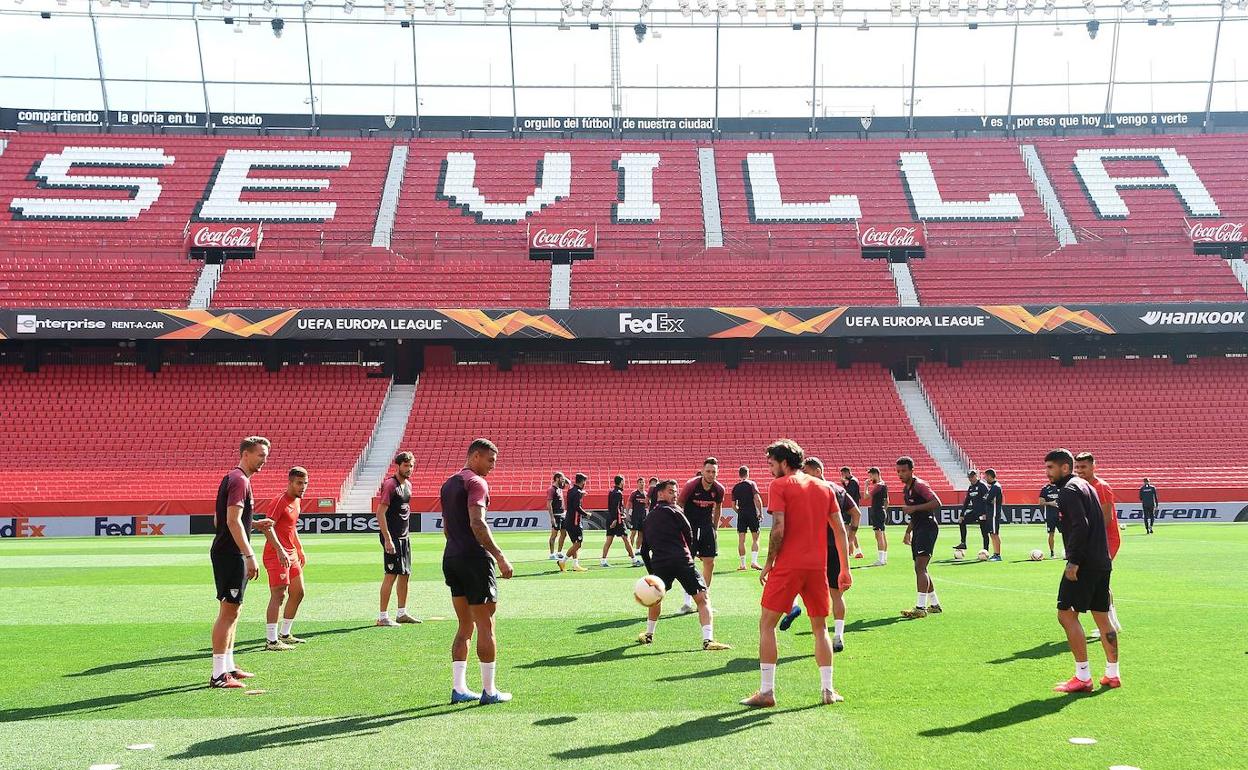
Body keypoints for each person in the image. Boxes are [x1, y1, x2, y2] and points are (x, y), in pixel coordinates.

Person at [740, 439, 850, 708]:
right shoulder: (825, 487)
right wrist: (845, 568)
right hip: (817, 567)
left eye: (771, 464)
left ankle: (767, 691)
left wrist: (768, 562)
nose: (769, 469)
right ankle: (828, 690)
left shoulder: (779, 485)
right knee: (820, 627)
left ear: (784, 462)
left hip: (789, 565)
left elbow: (778, 527)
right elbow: (839, 530)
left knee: (767, 624)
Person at [442, 438, 515, 705]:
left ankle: (459, 688)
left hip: (451, 556)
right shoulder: (476, 482)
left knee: (464, 625)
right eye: (490, 460)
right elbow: (477, 522)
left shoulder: (449, 483)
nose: (492, 467)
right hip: (474, 558)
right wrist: (500, 555)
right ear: (475, 457)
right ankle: (489, 691)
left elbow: (447, 527)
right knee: (486, 624)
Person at [1045, 449, 1119, 693]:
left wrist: (1074, 561)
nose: (1047, 473)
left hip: (1084, 563)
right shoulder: (1087, 486)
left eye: (1050, 468)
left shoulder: (1068, 490)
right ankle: (1112, 674)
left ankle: (1083, 676)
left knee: (1065, 614)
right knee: (1101, 615)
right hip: (1102, 560)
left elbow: (1081, 525)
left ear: (1065, 468)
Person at [209, 436, 275, 688]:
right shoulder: (239, 480)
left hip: (229, 551)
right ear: (246, 454)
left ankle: (229, 667)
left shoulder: (235, 479)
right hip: (231, 554)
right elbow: (232, 521)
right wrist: (249, 554)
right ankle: (217, 675)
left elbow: (221, 520)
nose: (264, 460)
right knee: (228, 612)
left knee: (233, 611)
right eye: (260, 455)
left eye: (266, 456)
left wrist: (254, 524)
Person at [637, 480, 731, 652]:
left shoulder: (648, 518)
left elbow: (644, 550)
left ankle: (649, 634)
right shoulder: (676, 511)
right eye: (671, 491)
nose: (675, 495)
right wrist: (687, 552)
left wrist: (653, 575)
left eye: (676, 491)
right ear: (660, 494)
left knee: (655, 598)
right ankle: (708, 640)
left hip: (660, 564)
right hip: (682, 560)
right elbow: (689, 533)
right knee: (703, 599)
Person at [777, 458, 857, 653]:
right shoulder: (837, 490)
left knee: (800, 580)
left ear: (817, 471)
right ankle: (838, 635)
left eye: (806, 471)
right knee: (836, 593)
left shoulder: (809, 490)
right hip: (836, 547)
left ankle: (795, 607)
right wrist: (850, 537)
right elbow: (856, 513)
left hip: (814, 547)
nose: (803, 474)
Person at [260, 466, 309, 651]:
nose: (303, 487)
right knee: (279, 595)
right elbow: (267, 527)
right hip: (276, 554)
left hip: (291, 553)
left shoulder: (296, 501)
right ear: (290, 482)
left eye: (305, 483)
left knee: (298, 592)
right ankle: (271, 641)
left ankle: (285, 634)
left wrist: (300, 548)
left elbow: (292, 527)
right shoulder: (280, 501)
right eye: (299, 483)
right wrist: (280, 550)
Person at [1075, 453, 1122, 635]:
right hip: (1095, 540)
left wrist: (1090, 539)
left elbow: (1106, 517)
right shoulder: (1082, 486)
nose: (1080, 471)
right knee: (1101, 582)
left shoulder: (1101, 486)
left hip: (1105, 540)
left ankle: (1110, 623)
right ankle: (1112, 622)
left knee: (1098, 581)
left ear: (1094, 466)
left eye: (1084, 467)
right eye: (1077, 467)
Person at [376, 452, 420, 626]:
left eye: (411, 466)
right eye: (406, 466)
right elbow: (380, 513)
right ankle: (382, 617)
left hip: (404, 537)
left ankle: (402, 613)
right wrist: (387, 539)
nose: (409, 469)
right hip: (392, 537)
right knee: (391, 574)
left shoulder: (408, 485)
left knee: (405, 574)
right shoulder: (390, 485)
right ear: (398, 466)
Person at [898, 456, 943, 619]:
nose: (900, 474)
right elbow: (914, 513)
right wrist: (908, 531)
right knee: (921, 568)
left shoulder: (920, 485)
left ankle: (920, 608)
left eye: (903, 471)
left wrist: (914, 507)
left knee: (920, 568)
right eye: (898, 471)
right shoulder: (907, 489)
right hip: (919, 528)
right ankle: (935, 604)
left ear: (911, 470)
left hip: (928, 527)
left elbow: (937, 502)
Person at [678, 458, 725, 613]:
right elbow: (679, 505)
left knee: (710, 562)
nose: (711, 474)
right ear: (703, 471)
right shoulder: (691, 485)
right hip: (690, 527)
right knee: (687, 564)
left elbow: (718, 508)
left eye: (714, 472)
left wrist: (715, 529)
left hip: (706, 527)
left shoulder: (719, 489)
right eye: (708, 471)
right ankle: (687, 603)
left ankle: (704, 599)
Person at [602, 475, 642, 567]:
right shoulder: (618, 493)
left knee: (609, 540)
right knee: (626, 538)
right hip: (618, 520)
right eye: (624, 481)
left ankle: (603, 561)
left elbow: (611, 507)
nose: (625, 483)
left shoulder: (611, 492)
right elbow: (616, 508)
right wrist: (616, 520)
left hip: (611, 518)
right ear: (621, 482)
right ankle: (634, 560)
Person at [732, 465, 764, 571]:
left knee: (741, 540)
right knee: (755, 538)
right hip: (751, 513)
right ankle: (754, 562)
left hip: (742, 514)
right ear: (748, 473)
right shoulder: (751, 484)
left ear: (739, 474)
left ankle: (742, 565)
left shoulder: (736, 487)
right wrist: (760, 512)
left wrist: (740, 512)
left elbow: (733, 505)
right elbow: (757, 499)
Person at [558, 474, 589, 572]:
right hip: (575, 522)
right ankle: (562, 561)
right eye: (585, 482)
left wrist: (581, 495)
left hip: (568, 520)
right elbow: (577, 507)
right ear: (582, 481)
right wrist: (586, 514)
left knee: (574, 543)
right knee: (578, 544)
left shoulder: (571, 490)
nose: (585, 484)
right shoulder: (578, 492)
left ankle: (575, 564)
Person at [956, 470, 990, 555]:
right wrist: (962, 514)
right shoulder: (971, 488)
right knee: (962, 521)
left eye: (972, 476)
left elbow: (988, 500)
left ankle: (985, 550)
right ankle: (963, 543)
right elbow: (966, 502)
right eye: (969, 477)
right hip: (975, 512)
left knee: (984, 532)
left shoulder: (982, 486)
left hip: (983, 513)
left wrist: (985, 513)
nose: (971, 478)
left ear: (976, 476)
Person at [866, 467, 889, 566]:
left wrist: (865, 486)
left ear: (876, 474)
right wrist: (884, 510)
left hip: (877, 511)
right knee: (882, 534)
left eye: (870, 475)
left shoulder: (878, 486)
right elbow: (887, 501)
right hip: (881, 510)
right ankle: (884, 558)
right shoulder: (884, 485)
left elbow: (866, 496)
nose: (870, 478)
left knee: (879, 535)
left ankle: (880, 559)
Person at [840, 466, 864, 559]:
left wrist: (844, 485)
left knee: (847, 530)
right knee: (850, 530)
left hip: (850, 509)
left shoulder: (853, 481)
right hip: (851, 509)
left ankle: (852, 550)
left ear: (846, 473)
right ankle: (854, 551)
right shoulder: (853, 481)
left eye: (843, 474)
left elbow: (848, 494)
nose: (842, 476)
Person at [547, 472, 568, 561]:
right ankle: (552, 554)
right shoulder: (551, 489)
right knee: (554, 535)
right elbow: (549, 504)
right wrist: (552, 517)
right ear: (557, 479)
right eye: (562, 479)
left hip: (563, 515)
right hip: (556, 515)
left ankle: (559, 552)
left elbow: (569, 482)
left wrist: (563, 478)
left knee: (564, 534)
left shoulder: (560, 488)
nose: (563, 480)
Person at [984, 469, 1004, 561]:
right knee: (992, 533)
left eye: (986, 476)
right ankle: (995, 553)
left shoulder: (996, 487)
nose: (985, 478)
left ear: (990, 476)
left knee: (995, 533)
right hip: (991, 513)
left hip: (994, 513)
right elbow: (986, 499)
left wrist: (987, 499)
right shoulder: (992, 487)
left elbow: (987, 499)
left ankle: (998, 554)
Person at [1040, 479, 1061, 559]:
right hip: (1050, 515)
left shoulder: (1061, 487)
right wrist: (1050, 503)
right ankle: (1052, 553)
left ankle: (1068, 552)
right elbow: (1041, 502)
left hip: (1062, 515)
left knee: (1066, 533)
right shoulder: (1045, 488)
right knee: (1051, 533)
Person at [629, 477, 649, 552]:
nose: (642, 484)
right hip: (635, 516)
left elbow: (648, 505)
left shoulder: (646, 494)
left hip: (643, 516)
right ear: (637, 484)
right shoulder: (634, 493)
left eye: (643, 482)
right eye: (640, 482)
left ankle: (637, 550)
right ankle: (630, 550)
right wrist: (627, 514)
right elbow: (629, 503)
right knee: (633, 533)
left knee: (641, 534)